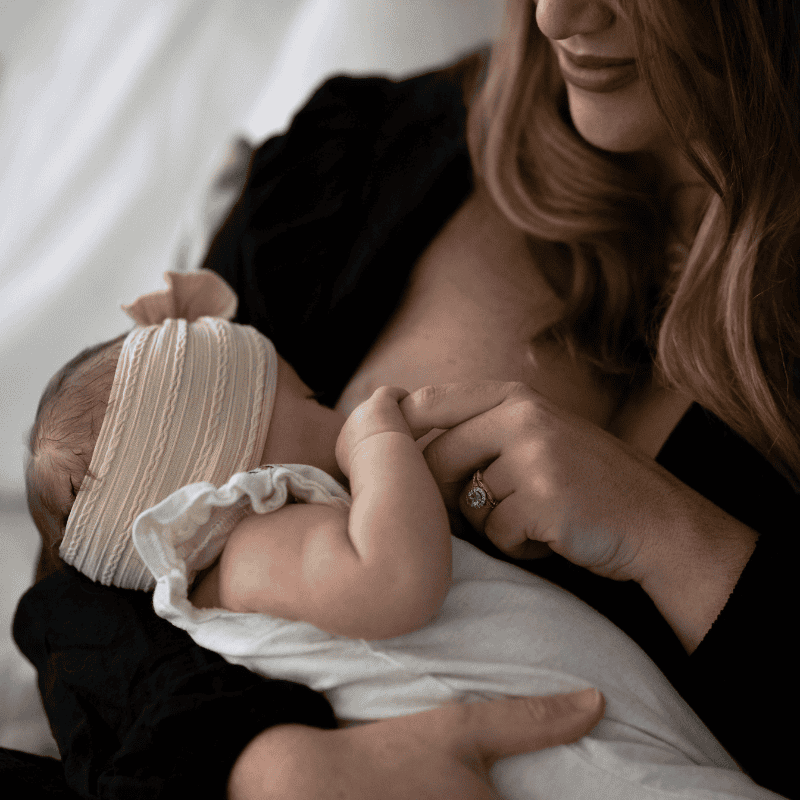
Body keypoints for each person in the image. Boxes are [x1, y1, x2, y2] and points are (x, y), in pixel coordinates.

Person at [12, 0, 799, 797]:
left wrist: (665, 532)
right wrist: (274, 768)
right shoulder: (365, 156)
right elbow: (86, 577)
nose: (556, 15)